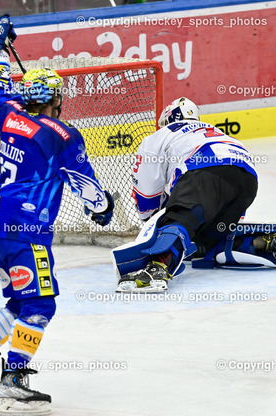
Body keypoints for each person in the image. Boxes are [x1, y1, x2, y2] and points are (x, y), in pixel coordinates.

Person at [0, 15, 114, 415]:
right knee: (41, 305)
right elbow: (84, 185)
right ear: (57, 100)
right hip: (26, 229)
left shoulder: (9, 114)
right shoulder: (64, 136)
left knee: (18, 301)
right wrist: (103, 208)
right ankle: (15, 382)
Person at [116, 96, 275, 292]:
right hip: (247, 179)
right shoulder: (212, 130)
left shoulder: (162, 135)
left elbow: (147, 195)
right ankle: (259, 242)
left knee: (180, 218)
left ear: (167, 119)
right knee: (204, 241)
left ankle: (157, 268)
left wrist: (155, 222)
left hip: (203, 170)